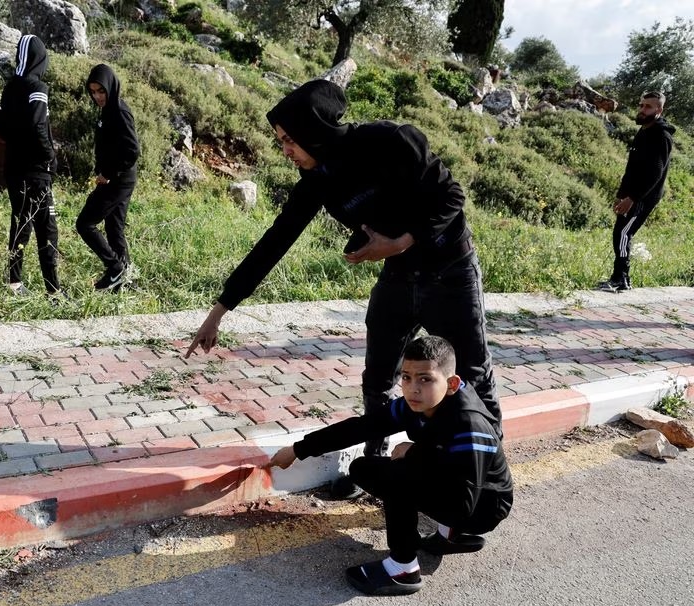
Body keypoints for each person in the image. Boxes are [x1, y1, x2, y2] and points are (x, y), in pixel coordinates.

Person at [186, 79, 501, 454]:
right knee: (379, 377)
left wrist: (400, 241)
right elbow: (274, 242)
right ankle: (376, 460)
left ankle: (487, 472)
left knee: (473, 375)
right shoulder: (317, 180)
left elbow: (452, 196)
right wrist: (219, 311)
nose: (285, 150)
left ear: (312, 130)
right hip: (399, 274)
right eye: (280, 141)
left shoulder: (390, 141)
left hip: (450, 269)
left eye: (289, 139)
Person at [269, 336, 514, 596]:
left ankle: (403, 568)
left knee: (399, 478)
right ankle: (451, 535)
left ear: (452, 384)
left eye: (425, 379)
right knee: (364, 469)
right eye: (406, 377)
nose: (413, 389)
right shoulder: (419, 403)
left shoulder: (470, 425)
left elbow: (463, 503)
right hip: (463, 492)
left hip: (482, 508)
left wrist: (417, 454)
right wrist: (299, 449)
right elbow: (362, 427)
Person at [0, 34, 62, 299]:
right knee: (48, 228)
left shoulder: (10, 87)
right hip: (36, 171)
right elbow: (38, 126)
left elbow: (0, 127)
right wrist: (49, 157)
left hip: (13, 169)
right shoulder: (37, 88)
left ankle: (14, 283)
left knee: (21, 224)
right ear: (40, 60)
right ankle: (54, 291)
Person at [598, 91, 675, 293]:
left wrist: (632, 199)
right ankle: (619, 278)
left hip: (644, 196)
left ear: (659, 110)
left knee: (624, 232)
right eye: (641, 105)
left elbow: (655, 173)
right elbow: (631, 168)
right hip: (632, 194)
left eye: (648, 106)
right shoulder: (643, 131)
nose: (642, 109)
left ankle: (621, 278)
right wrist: (621, 194)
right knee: (620, 232)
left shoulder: (661, 136)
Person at [76, 63, 140, 292]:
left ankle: (115, 269)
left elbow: (133, 151)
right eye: (93, 91)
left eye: (101, 91)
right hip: (119, 179)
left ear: (111, 88)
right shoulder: (108, 110)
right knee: (114, 228)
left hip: (117, 180)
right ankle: (125, 280)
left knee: (85, 224)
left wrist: (108, 174)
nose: (97, 96)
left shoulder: (120, 111)